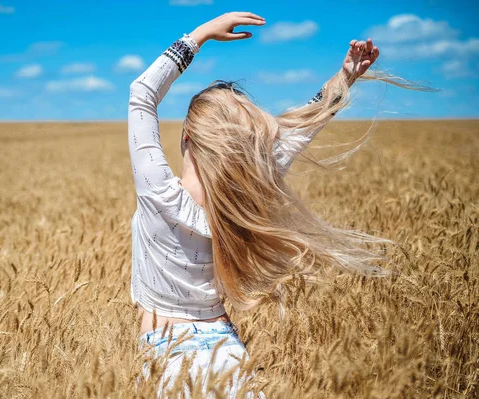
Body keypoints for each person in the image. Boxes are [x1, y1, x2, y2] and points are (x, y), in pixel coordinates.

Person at [128, 12, 388, 398]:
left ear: (187, 136)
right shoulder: (250, 193)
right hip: (226, 352)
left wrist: (199, 35)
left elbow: (142, 94)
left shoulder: (158, 194)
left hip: (163, 352)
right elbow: (306, 124)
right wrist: (345, 76)